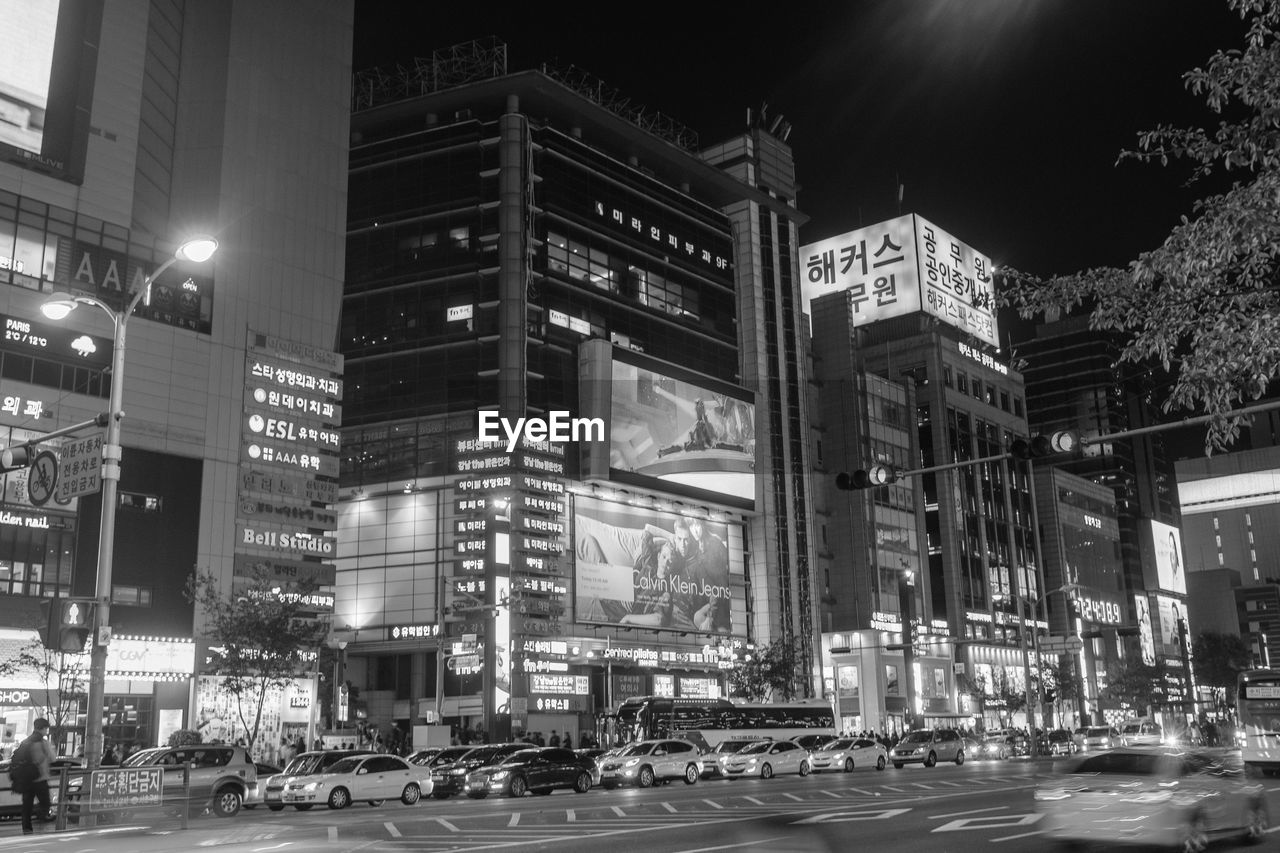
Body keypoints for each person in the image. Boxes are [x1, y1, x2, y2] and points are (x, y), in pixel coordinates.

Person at [16, 717, 54, 835]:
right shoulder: (43, 743)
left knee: (26, 805)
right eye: (46, 729)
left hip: (26, 779)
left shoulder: (25, 741)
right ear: (42, 728)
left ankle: (27, 829)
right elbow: (53, 758)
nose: (46, 731)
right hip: (40, 778)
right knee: (46, 803)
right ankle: (42, 820)